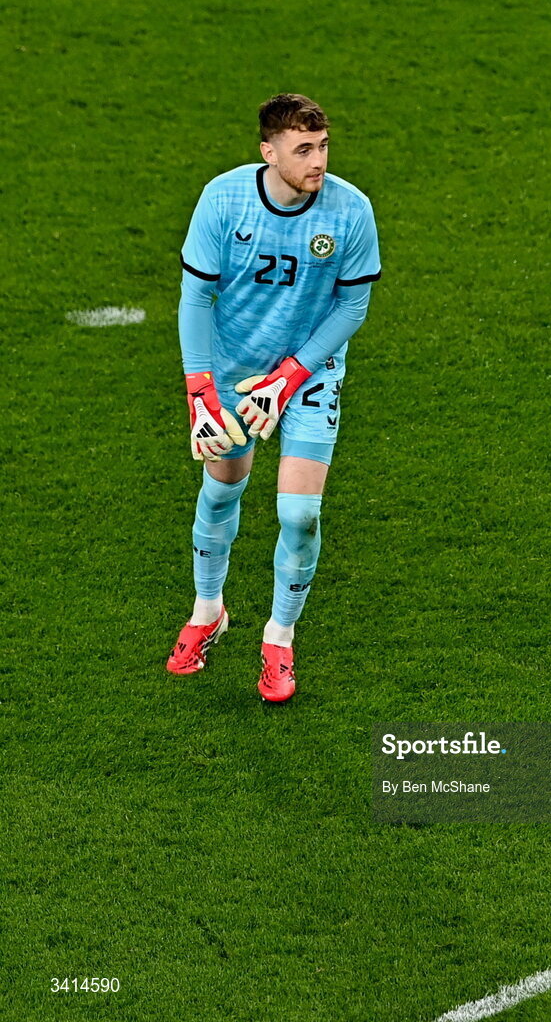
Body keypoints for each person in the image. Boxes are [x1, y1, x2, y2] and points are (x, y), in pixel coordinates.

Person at [166, 93, 381, 701]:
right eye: (303, 149)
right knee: (222, 488)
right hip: (232, 371)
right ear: (269, 151)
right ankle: (208, 611)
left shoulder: (350, 210)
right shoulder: (224, 199)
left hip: (310, 371)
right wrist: (199, 389)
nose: (319, 161)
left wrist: (290, 374)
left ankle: (279, 638)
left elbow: (352, 307)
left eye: (324, 146)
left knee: (299, 514)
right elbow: (195, 297)